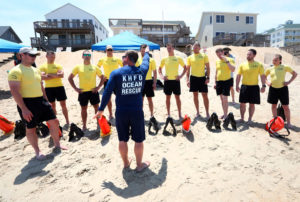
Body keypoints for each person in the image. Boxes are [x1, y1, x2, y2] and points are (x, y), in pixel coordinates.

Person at [94, 48, 151, 172]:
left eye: (123, 57)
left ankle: (126, 164)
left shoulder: (116, 73)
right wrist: (146, 52)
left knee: (122, 139)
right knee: (139, 140)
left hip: (121, 112)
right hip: (136, 111)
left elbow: (107, 92)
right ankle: (139, 165)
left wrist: (101, 109)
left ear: (126, 59)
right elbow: (146, 61)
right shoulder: (141, 71)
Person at [8, 47, 66, 160]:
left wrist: (47, 101)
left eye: (34, 55)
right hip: (27, 102)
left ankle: (57, 144)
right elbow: (14, 91)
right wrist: (24, 109)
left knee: (54, 121)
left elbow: (41, 87)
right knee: (31, 128)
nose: (34, 57)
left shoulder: (36, 70)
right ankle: (37, 151)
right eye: (31, 55)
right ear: (21, 55)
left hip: (41, 100)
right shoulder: (16, 71)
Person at [68, 50, 104, 131]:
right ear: (82, 56)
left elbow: (103, 77)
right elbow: (70, 78)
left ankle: (98, 124)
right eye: (85, 54)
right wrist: (76, 88)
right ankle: (84, 125)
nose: (87, 56)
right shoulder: (78, 67)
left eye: (88, 54)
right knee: (84, 109)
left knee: (96, 108)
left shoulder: (95, 67)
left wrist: (98, 87)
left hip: (93, 91)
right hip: (83, 92)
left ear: (90, 57)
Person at [265, 54, 297, 128]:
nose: (274, 61)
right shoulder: (270, 68)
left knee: (285, 106)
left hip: (283, 89)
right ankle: (275, 121)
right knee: (273, 106)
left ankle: (288, 123)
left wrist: (288, 82)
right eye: (273, 60)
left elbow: (295, 74)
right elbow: (264, 76)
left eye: (276, 60)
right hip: (273, 89)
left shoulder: (285, 67)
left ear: (280, 60)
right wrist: (267, 82)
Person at [39, 51, 69, 125]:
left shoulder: (58, 65)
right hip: (49, 88)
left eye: (54, 57)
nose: (52, 58)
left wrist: (49, 74)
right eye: (51, 57)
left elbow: (61, 75)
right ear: (46, 56)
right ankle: (55, 121)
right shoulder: (42, 66)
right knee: (52, 106)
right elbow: (43, 77)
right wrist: (56, 75)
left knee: (63, 105)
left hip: (59, 87)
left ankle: (67, 120)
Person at [236, 49, 266, 123]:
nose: (248, 56)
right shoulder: (242, 64)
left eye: (250, 54)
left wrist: (263, 85)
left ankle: (250, 119)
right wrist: (236, 85)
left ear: (254, 55)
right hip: (244, 86)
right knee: (242, 103)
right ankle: (242, 118)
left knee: (252, 104)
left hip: (254, 87)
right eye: (247, 54)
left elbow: (262, 75)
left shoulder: (259, 65)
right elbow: (238, 75)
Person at [159, 43, 187, 120]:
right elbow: (159, 69)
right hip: (167, 81)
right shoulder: (164, 59)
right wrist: (162, 76)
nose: (169, 49)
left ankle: (179, 114)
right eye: (167, 48)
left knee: (177, 98)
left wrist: (180, 76)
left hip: (176, 81)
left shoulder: (178, 58)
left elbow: (185, 68)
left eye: (170, 48)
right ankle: (168, 114)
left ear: (173, 48)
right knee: (168, 98)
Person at [97, 45, 122, 120]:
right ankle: (110, 114)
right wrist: (101, 76)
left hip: (117, 80)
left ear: (113, 51)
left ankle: (119, 112)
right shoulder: (102, 59)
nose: (109, 51)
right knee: (108, 98)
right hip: (107, 80)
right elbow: (96, 68)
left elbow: (124, 67)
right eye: (108, 50)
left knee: (119, 98)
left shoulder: (117, 59)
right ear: (106, 51)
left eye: (111, 50)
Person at [186, 42, 210, 118]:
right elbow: (188, 70)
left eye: (196, 47)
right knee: (195, 95)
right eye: (194, 47)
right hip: (193, 78)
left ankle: (207, 113)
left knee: (205, 95)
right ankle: (197, 112)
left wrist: (208, 77)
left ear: (199, 48)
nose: (194, 48)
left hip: (202, 78)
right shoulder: (190, 57)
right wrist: (187, 80)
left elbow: (208, 67)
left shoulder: (204, 55)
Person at [136, 44, 158, 122]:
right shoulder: (137, 60)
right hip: (140, 82)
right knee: (140, 100)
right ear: (140, 50)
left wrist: (155, 83)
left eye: (145, 50)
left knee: (149, 99)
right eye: (142, 50)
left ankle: (151, 115)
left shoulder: (151, 60)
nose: (143, 52)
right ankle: (140, 115)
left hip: (149, 82)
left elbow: (155, 73)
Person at [214, 48, 235, 119]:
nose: (219, 56)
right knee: (222, 99)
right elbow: (216, 72)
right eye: (217, 55)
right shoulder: (217, 61)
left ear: (223, 52)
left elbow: (233, 69)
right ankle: (224, 113)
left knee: (225, 98)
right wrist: (215, 82)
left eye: (220, 54)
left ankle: (226, 115)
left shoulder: (230, 59)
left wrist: (226, 61)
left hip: (226, 81)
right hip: (219, 82)